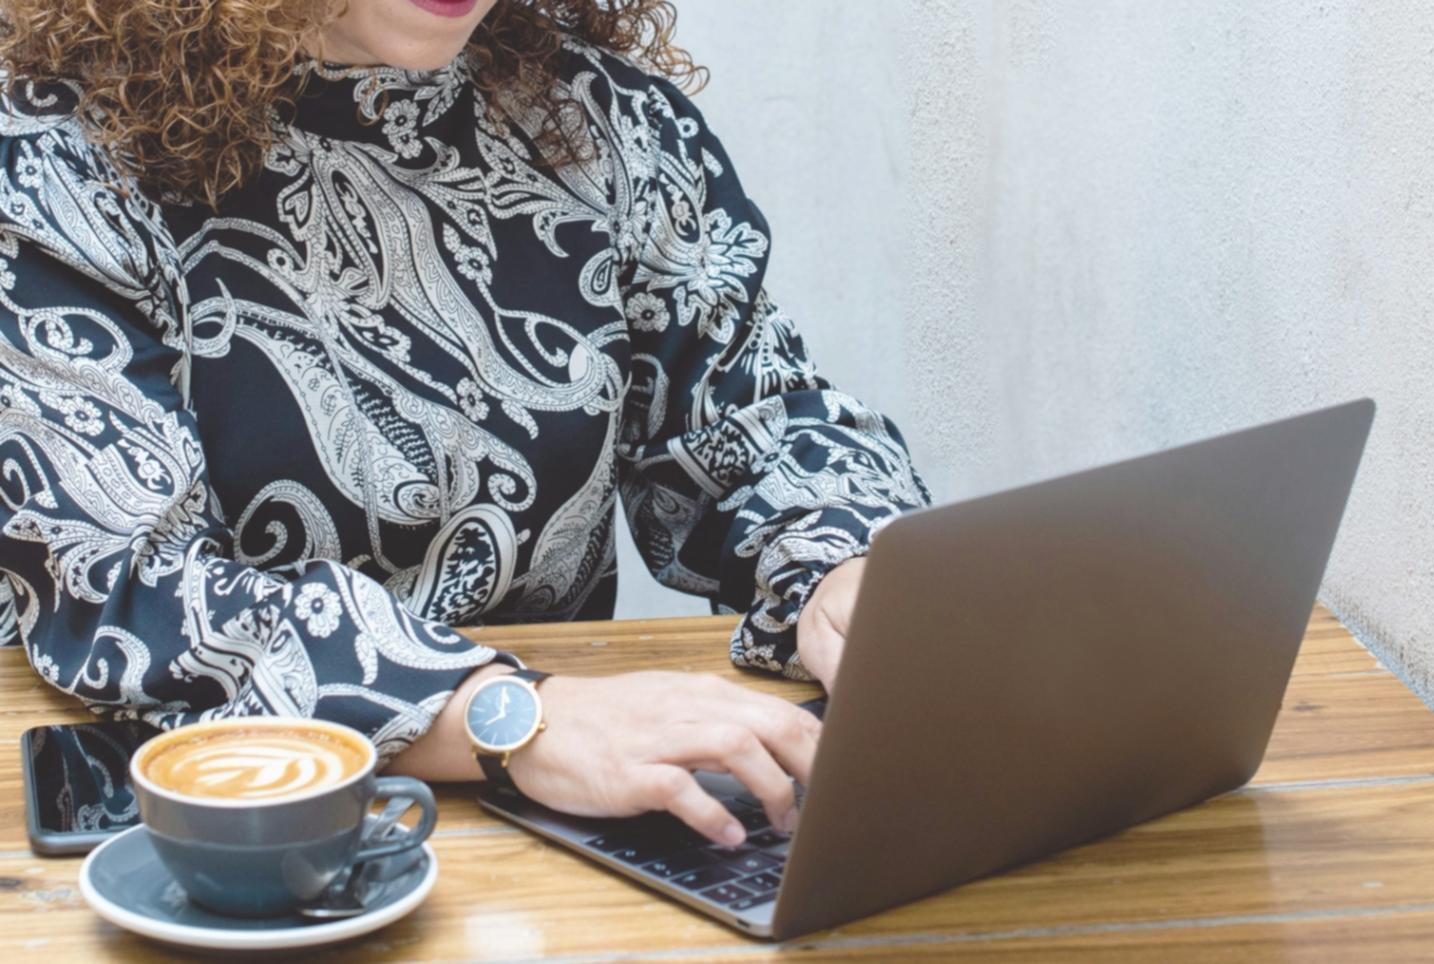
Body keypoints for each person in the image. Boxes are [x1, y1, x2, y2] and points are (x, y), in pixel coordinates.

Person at [0, 0, 929, 848]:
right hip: (212, 839)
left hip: (569, 820)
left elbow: (753, 420)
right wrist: (512, 717)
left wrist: (845, 566)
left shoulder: (599, 119)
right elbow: (128, 582)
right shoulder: (54, 158)